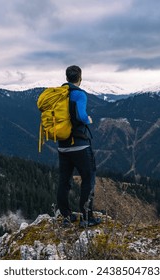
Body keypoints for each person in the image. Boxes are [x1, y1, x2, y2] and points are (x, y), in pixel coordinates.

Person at [57, 65, 101, 227]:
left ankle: (66, 217)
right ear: (80, 78)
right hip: (80, 146)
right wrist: (88, 119)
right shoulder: (79, 94)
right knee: (88, 178)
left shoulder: (59, 94)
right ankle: (87, 217)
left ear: (67, 77)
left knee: (64, 181)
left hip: (62, 145)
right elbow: (81, 115)